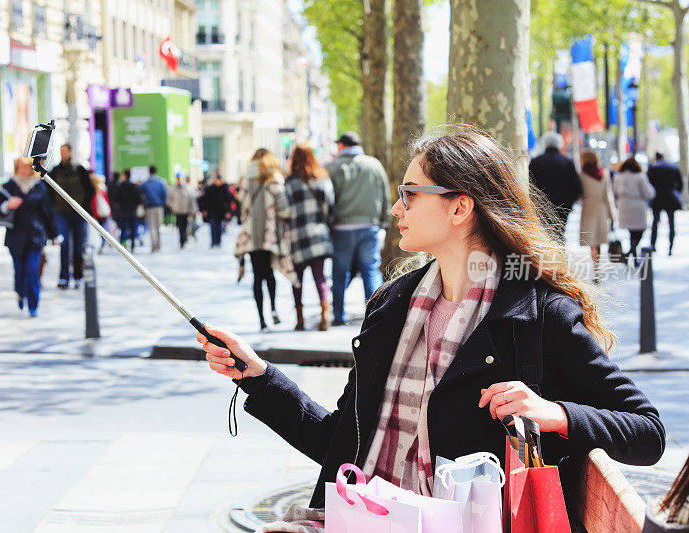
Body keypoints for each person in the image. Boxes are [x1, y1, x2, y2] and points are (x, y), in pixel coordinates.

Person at [197, 131, 665, 531]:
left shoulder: (538, 313)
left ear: (460, 208)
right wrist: (257, 375)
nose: (397, 208)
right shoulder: (390, 307)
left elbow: (648, 431)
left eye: (411, 194)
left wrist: (554, 413)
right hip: (369, 515)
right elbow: (341, 443)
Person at [326, 131, 391, 326]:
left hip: (341, 227)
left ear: (342, 146)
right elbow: (385, 193)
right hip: (369, 226)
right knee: (370, 270)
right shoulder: (374, 165)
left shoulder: (332, 168)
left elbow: (327, 200)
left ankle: (338, 315)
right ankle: (375, 316)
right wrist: (384, 221)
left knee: (339, 272)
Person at [235, 148, 295, 332]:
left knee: (257, 277)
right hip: (271, 235)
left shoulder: (246, 180)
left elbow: (242, 205)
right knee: (270, 274)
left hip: (252, 236)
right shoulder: (274, 178)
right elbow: (284, 209)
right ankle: (274, 308)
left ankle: (262, 320)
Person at [0, 158, 57, 317]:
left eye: (26, 167)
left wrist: (55, 234)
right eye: (20, 167)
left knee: (32, 271)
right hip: (16, 237)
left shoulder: (39, 187)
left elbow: (48, 213)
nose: (23, 170)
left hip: (35, 236)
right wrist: (7, 204)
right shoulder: (9, 186)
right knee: (20, 271)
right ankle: (20, 293)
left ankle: (33, 304)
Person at [285, 144, 335, 331]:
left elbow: (286, 210)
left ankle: (300, 319)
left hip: (297, 238)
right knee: (320, 277)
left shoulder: (289, 182)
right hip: (318, 235)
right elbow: (330, 207)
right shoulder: (322, 179)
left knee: (296, 280)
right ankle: (325, 317)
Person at [49, 144, 93, 289]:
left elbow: (90, 190)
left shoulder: (79, 170)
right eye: (61, 152)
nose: (63, 154)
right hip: (61, 213)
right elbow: (49, 192)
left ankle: (78, 276)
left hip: (78, 214)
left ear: (71, 152)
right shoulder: (55, 171)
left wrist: (84, 208)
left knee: (78, 246)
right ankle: (64, 277)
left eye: (65, 151)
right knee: (64, 245)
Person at [528, 132, 583, 242]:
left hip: (541, 206)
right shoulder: (568, 163)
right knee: (560, 234)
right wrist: (569, 202)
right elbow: (577, 187)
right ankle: (559, 257)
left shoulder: (536, 162)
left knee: (545, 234)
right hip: (563, 206)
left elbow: (529, 184)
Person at [577, 150, 616, 284]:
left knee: (591, 241)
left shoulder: (581, 175)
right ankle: (597, 269)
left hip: (588, 208)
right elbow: (608, 196)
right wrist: (612, 216)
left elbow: (579, 194)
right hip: (601, 209)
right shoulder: (604, 173)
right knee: (598, 241)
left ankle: (596, 269)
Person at [613, 157, 656, 264]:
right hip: (638, 207)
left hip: (623, 206)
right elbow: (649, 192)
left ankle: (632, 258)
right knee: (639, 232)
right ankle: (630, 253)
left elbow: (614, 193)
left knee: (631, 233)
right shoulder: (640, 177)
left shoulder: (618, 177)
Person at [647, 152, 683, 255]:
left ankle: (653, 245)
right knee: (671, 223)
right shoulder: (673, 167)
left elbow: (648, 183)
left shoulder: (653, 168)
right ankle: (671, 247)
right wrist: (676, 193)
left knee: (655, 223)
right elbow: (680, 183)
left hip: (657, 198)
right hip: (670, 198)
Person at [112, 169, 143, 252]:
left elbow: (116, 198)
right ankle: (132, 244)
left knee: (123, 228)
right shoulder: (135, 187)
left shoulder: (120, 186)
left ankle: (124, 244)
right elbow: (139, 199)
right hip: (133, 211)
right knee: (133, 228)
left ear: (124, 175)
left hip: (123, 211)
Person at [139, 165, 168, 252]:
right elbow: (164, 195)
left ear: (149, 171)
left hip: (149, 207)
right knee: (158, 227)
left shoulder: (145, 183)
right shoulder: (160, 182)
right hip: (159, 207)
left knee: (151, 227)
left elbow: (140, 194)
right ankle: (158, 245)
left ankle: (153, 245)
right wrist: (162, 203)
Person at [199, 173, 232, 247]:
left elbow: (228, 201)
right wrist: (203, 210)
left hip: (220, 212)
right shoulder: (210, 189)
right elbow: (205, 200)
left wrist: (228, 211)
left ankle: (218, 241)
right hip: (212, 211)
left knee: (219, 227)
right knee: (213, 227)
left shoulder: (224, 189)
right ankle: (214, 241)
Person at [167, 174, 197, 248]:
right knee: (180, 226)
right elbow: (169, 199)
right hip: (177, 210)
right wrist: (172, 206)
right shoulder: (173, 188)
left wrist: (193, 210)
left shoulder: (187, 188)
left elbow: (191, 199)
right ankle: (182, 239)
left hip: (186, 210)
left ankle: (184, 238)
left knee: (185, 225)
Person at [89, 172, 113, 253]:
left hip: (96, 214)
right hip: (102, 213)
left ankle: (100, 245)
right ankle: (102, 244)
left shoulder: (94, 191)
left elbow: (93, 204)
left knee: (97, 231)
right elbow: (106, 202)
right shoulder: (101, 190)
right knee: (103, 230)